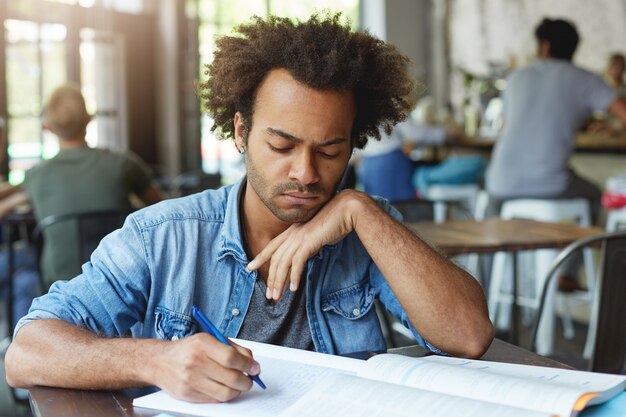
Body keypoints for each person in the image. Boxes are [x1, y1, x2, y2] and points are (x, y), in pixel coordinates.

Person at [6, 13, 493, 403]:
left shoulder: (365, 229)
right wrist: (155, 360)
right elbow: (25, 352)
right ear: (240, 131)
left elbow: (468, 336)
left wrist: (360, 211)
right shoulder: (164, 236)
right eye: (282, 146)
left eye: (329, 151)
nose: (306, 173)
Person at [486, 18, 626, 288]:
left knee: (492, 221)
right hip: (548, 184)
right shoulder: (585, 79)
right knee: (596, 196)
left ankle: (490, 296)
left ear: (545, 46)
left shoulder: (516, 77)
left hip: (500, 183)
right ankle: (568, 273)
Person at [22, 83, 163, 290]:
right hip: (123, 283)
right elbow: (160, 210)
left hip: (60, 288)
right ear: (89, 120)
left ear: (49, 127)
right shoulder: (123, 163)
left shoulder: (34, 176)